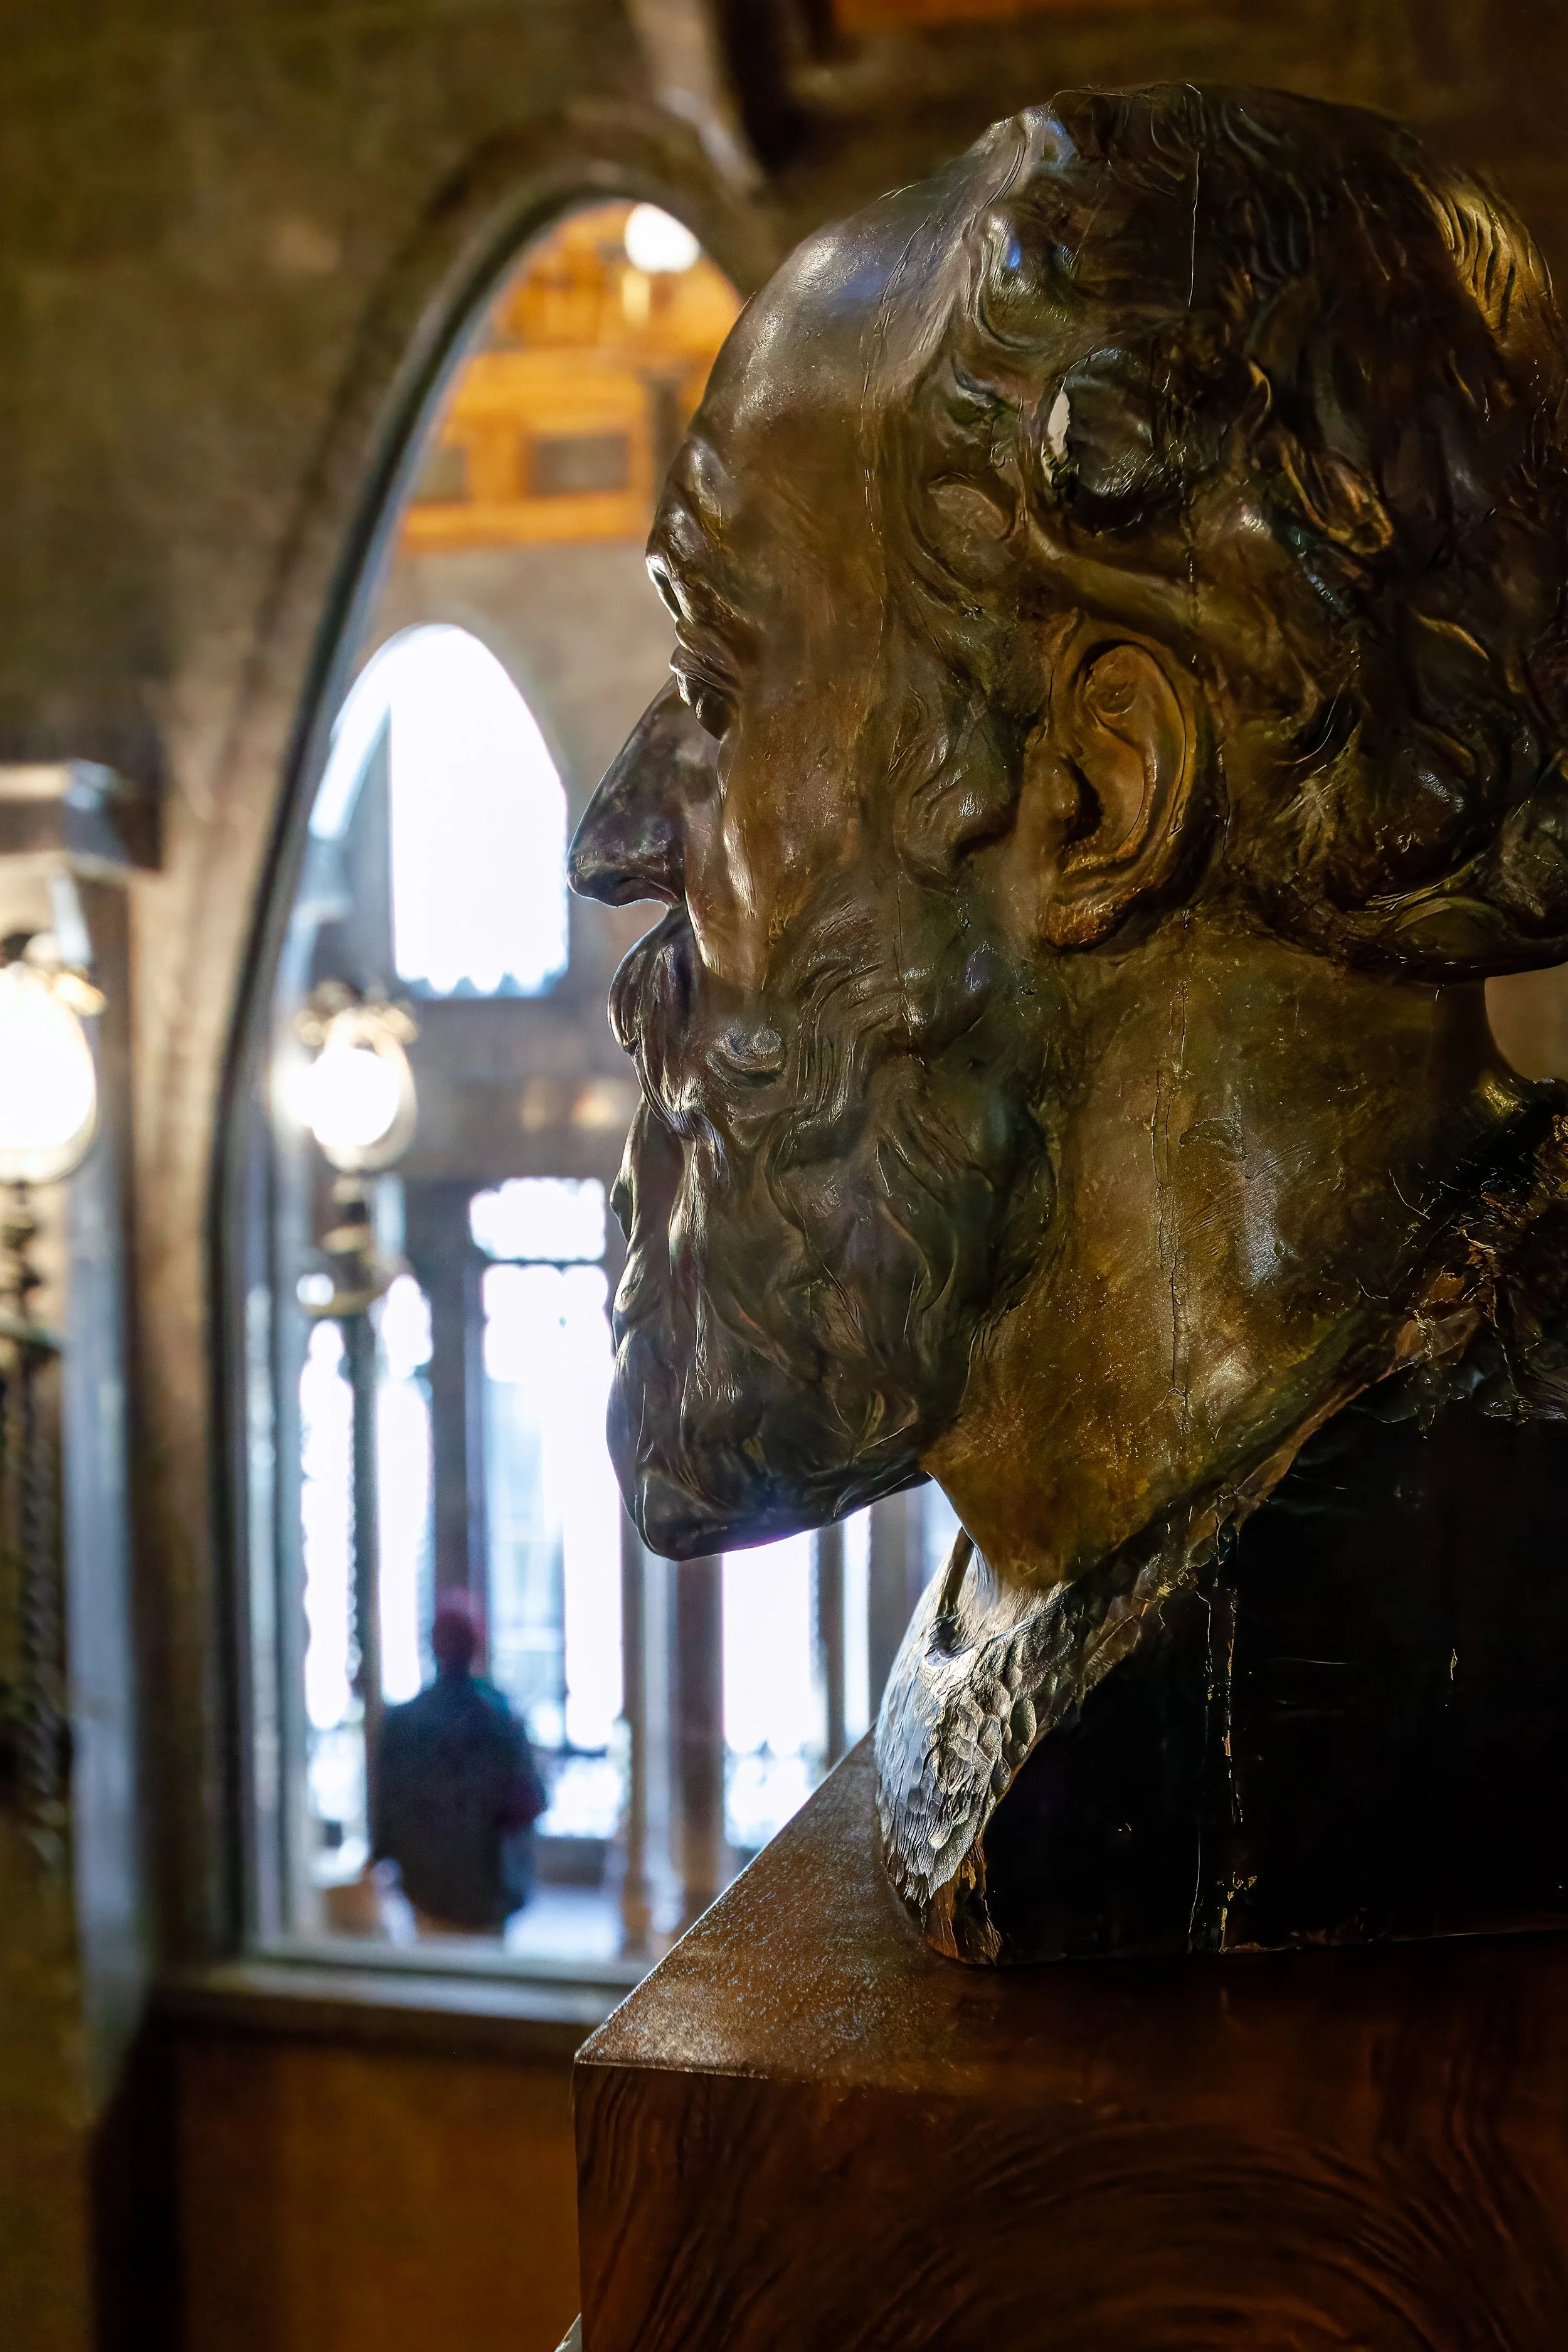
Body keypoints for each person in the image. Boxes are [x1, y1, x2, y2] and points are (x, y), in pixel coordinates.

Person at [568, 86, 1568, 1957]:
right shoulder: (1079, 1592)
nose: (616, 835)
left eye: (717, 677)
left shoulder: (1440, 1620)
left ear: (1100, 789)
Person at [371, 1590, 547, 1934]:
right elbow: (529, 1803)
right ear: (477, 1646)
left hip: (426, 1891)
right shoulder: (499, 1718)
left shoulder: (401, 1723)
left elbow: (385, 1818)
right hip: (486, 1893)